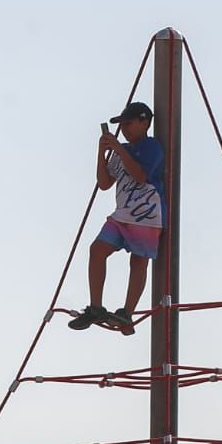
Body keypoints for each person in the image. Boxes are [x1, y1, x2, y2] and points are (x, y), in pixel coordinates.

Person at [68, 100, 166, 336]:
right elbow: (103, 183)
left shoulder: (152, 147)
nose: (125, 129)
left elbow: (141, 176)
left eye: (129, 124)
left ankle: (127, 312)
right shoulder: (121, 151)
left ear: (145, 122)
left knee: (138, 262)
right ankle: (96, 307)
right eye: (122, 125)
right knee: (97, 250)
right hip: (122, 215)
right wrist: (102, 153)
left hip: (146, 215)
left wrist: (120, 150)